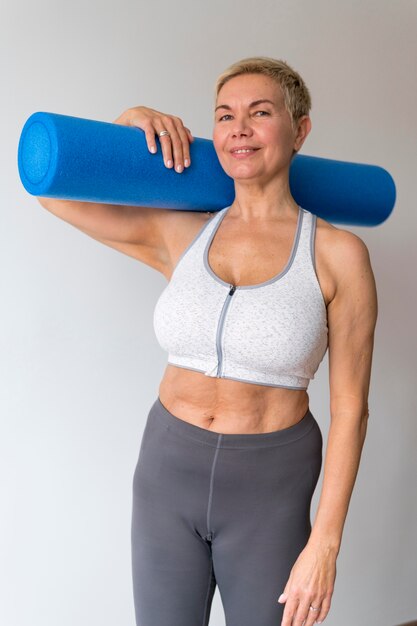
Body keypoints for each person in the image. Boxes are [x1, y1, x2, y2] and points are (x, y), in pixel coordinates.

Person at [37, 56, 378, 626]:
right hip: (167, 469)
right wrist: (124, 130)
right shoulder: (182, 233)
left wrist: (324, 545)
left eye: (260, 112)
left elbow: (350, 409)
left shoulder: (338, 255)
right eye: (224, 115)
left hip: (271, 482)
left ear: (300, 129)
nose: (238, 128)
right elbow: (53, 192)